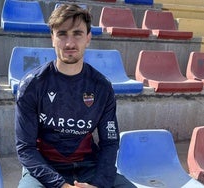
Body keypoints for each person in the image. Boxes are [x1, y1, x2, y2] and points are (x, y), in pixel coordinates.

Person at [15, 3, 136, 188]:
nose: (69, 43)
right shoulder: (32, 85)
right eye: (62, 34)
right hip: (45, 167)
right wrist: (60, 185)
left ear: (88, 38)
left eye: (77, 34)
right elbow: (26, 148)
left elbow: (109, 143)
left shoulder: (102, 87)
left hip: (89, 166)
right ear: (52, 38)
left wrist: (98, 184)